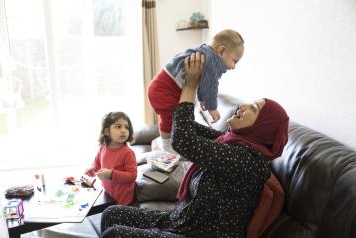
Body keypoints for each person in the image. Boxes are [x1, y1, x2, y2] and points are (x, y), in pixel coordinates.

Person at [100, 53, 289, 238]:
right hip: (181, 220)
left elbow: (183, 141)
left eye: (253, 109)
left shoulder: (245, 159)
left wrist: (190, 86)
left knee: (114, 234)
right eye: (248, 104)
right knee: (111, 213)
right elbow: (184, 127)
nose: (242, 107)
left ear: (262, 128)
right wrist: (175, 89)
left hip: (196, 233)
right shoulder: (230, 141)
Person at [148, 29, 244, 153]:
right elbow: (211, 85)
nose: (233, 67)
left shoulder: (205, 52)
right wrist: (212, 107)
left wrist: (202, 98)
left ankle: (166, 141)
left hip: (160, 85)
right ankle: (166, 144)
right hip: (165, 88)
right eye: (234, 61)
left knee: (172, 117)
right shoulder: (212, 60)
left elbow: (202, 82)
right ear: (221, 51)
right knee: (169, 117)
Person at [85, 111, 137, 205]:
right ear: (107, 131)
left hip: (122, 199)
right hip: (107, 193)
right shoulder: (103, 147)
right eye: (118, 126)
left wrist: (111, 174)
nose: (123, 130)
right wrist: (92, 168)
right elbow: (97, 161)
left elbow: (132, 176)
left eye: (126, 127)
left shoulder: (128, 153)